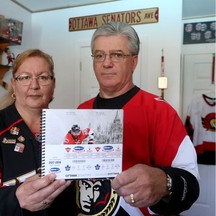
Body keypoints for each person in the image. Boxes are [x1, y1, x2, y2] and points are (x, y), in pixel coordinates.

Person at [76, 22, 200, 215]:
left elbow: (190, 185)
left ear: (134, 61)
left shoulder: (159, 111)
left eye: (117, 55)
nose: (106, 63)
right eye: (99, 55)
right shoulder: (81, 110)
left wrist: (165, 181)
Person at [0, 49, 76, 216]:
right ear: (14, 84)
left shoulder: (70, 128)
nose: (34, 85)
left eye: (43, 77)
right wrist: (16, 198)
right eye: (25, 77)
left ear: (53, 85)